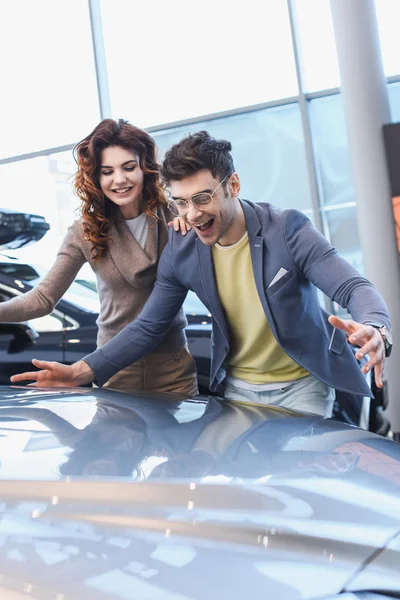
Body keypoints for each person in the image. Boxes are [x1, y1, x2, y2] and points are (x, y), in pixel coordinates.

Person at [12, 131, 392, 418]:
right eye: (180, 202)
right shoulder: (183, 247)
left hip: (302, 386)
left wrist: (376, 327)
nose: (192, 214)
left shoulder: (286, 230)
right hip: (238, 388)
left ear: (234, 186)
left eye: (202, 198)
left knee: (297, 487)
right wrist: (82, 371)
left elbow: (352, 285)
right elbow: (148, 326)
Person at [5, 119, 198, 395]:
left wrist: (189, 221)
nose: (119, 180)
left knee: (182, 440)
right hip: (113, 370)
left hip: (174, 370)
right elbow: (42, 299)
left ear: (145, 167)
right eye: (107, 172)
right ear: (96, 178)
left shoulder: (176, 217)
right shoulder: (85, 231)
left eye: (129, 167)